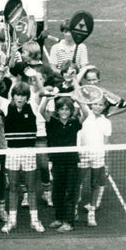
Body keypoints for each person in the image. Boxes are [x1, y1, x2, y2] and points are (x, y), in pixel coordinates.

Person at [0, 75, 44, 234]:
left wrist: (36, 77)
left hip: (29, 152)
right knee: (13, 187)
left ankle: (35, 220)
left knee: (31, 187)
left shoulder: (33, 106)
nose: (20, 98)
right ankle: (12, 220)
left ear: (27, 97)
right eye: (17, 95)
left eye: (23, 95)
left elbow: (41, 91)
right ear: (13, 96)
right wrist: (1, 74)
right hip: (12, 152)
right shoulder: (7, 106)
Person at [40, 95, 83, 232]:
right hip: (57, 162)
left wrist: (79, 100)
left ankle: (68, 222)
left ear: (71, 111)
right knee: (57, 192)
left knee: (70, 192)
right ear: (57, 111)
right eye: (61, 109)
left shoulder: (74, 123)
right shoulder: (52, 122)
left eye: (67, 109)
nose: (64, 112)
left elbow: (86, 114)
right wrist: (47, 98)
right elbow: (41, 111)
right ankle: (59, 218)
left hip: (71, 162)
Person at [77, 96, 111, 227]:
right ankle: (74, 209)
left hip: (98, 156)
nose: (98, 107)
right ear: (91, 105)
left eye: (101, 105)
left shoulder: (106, 122)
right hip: (83, 155)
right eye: (96, 104)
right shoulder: (85, 116)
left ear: (105, 107)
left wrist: (107, 162)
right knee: (77, 182)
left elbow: (106, 143)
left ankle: (91, 213)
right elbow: (81, 103)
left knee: (95, 184)